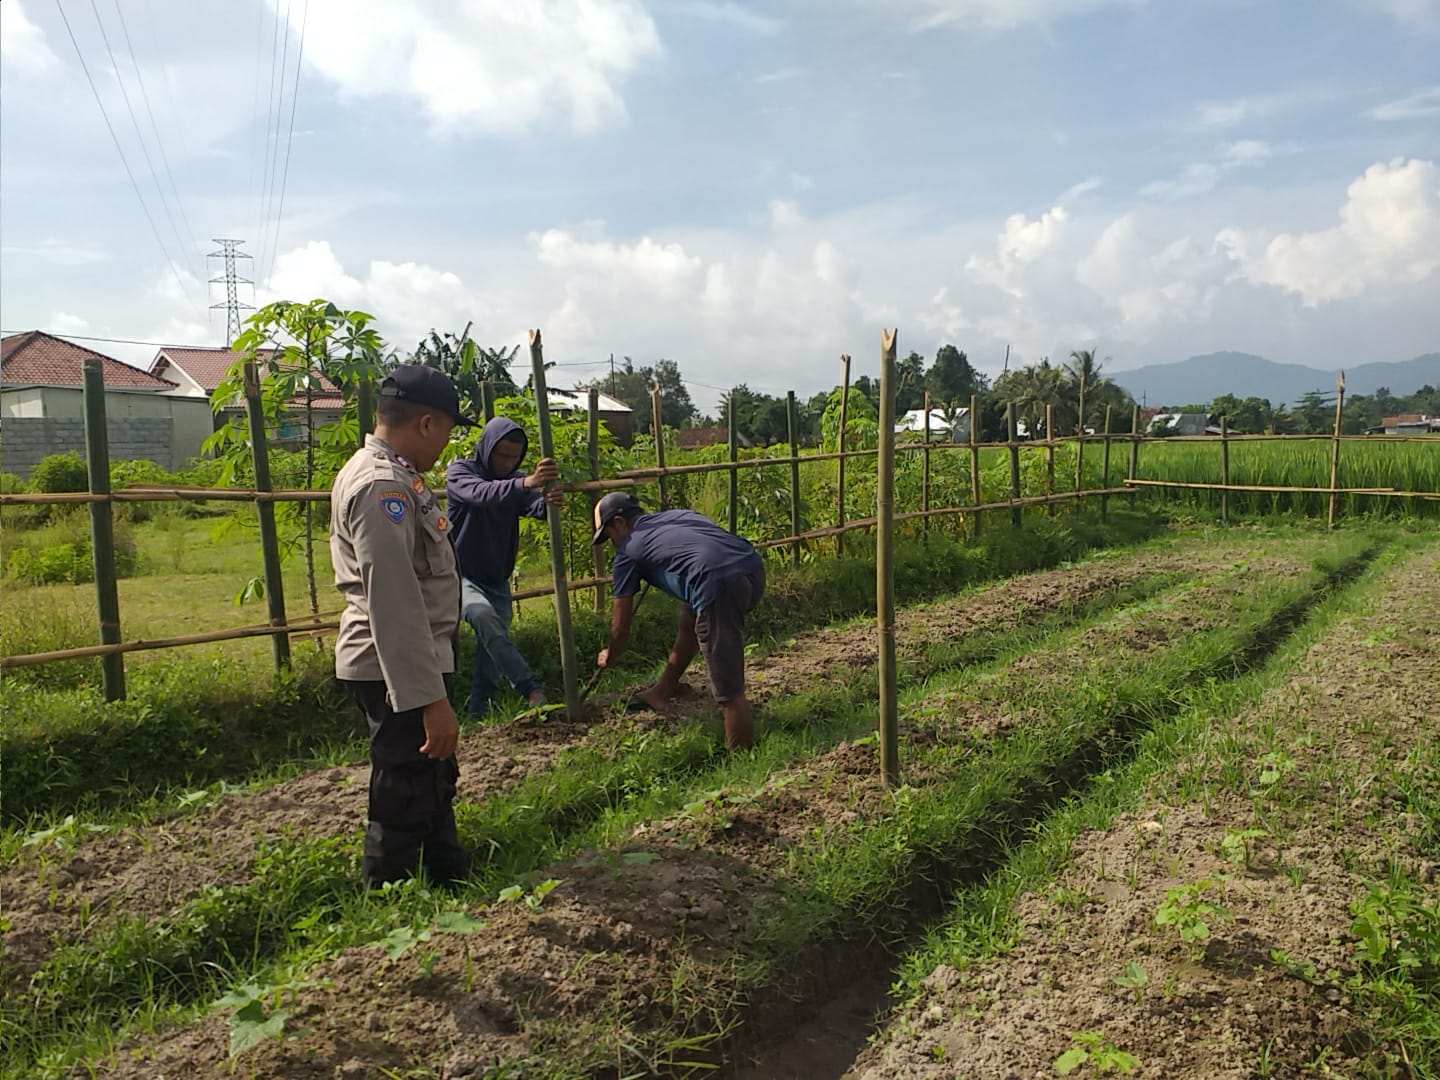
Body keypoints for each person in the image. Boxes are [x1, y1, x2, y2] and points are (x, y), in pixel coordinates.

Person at [330, 364, 473, 889]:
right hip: (396, 666)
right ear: (428, 423)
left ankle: (448, 878)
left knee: (431, 775)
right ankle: (387, 895)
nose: (446, 445)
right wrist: (428, 699)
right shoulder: (381, 486)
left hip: (413, 661)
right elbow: (394, 601)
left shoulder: (392, 475)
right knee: (406, 783)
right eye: (449, 431)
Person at [592, 492, 765, 749]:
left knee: (728, 685)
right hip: (752, 568)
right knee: (690, 621)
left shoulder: (628, 551)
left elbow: (621, 628)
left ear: (619, 522)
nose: (612, 544)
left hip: (718, 584)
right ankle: (662, 691)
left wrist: (611, 653)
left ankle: (744, 759)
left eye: (608, 536)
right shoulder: (678, 515)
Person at [445, 418, 562, 716]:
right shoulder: (461, 473)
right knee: (482, 616)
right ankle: (531, 688)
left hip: (496, 577)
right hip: (460, 574)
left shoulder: (516, 482)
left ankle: (477, 714)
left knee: (491, 651)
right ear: (486, 448)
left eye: (514, 457)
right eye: (502, 455)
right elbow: (482, 494)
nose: (508, 463)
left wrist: (548, 501)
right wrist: (527, 483)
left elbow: (534, 505)